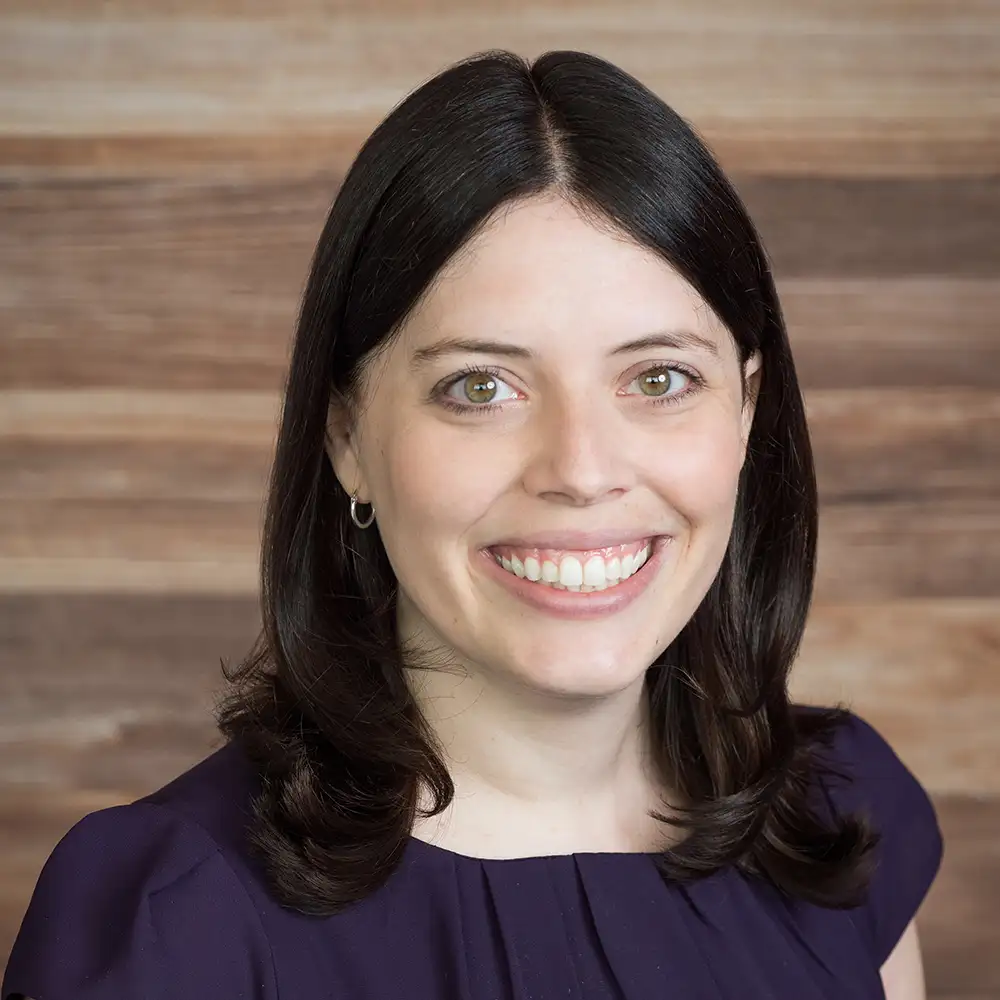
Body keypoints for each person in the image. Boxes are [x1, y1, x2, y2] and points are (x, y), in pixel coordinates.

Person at [3, 49, 942, 1000]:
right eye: (480, 387)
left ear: (745, 414)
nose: (580, 471)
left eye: (659, 379)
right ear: (347, 437)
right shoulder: (175, 921)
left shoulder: (838, 820)